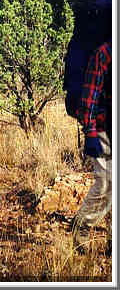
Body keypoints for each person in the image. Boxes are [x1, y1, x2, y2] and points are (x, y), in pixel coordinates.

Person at [72, 39, 112, 255]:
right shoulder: (105, 53)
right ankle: (82, 225)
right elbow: (89, 98)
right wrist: (90, 132)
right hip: (104, 128)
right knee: (106, 183)